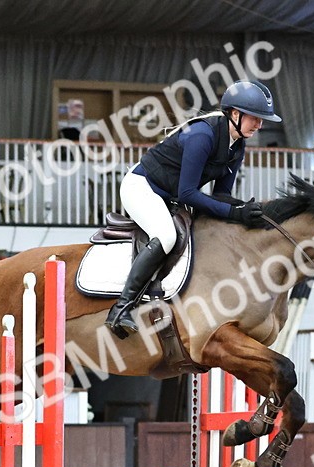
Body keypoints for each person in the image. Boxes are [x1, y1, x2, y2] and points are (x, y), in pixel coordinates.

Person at [105, 80, 282, 339]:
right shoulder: (202, 136)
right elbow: (187, 193)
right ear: (235, 114)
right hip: (142, 187)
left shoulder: (237, 144)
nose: (260, 125)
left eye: (261, 120)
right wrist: (234, 212)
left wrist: (243, 209)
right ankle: (121, 307)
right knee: (167, 236)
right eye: (255, 118)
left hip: (170, 195)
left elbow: (221, 195)